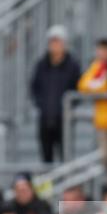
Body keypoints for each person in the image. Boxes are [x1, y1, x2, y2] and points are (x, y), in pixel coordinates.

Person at [30, 25, 81, 164]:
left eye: (57, 41)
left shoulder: (73, 65)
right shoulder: (41, 64)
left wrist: (68, 107)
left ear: (64, 43)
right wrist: (41, 105)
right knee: (46, 158)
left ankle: (66, 185)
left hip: (64, 118)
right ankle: (48, 186)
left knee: (66, 156)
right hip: (45, 117)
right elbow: (34, 87)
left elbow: (78, 89)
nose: (54, 45)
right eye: (52, 41)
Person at [78, 38, 107, 178]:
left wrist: (98, 87)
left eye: (104, 50)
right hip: (103, 121)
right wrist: (101, 88)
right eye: (99, 50)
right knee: (105, 157)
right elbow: (83, 85)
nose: (101, 53)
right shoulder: (97, 66)